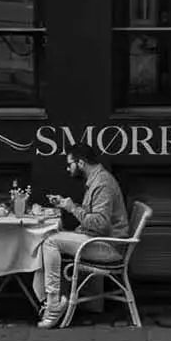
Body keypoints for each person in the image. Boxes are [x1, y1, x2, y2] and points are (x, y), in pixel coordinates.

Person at [34, 141, 130, 329]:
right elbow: (94, 216)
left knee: (50, 242)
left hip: (109, 247)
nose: (67, 168)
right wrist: (67, 205)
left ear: (80, 163)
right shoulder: (96, 179)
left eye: (70, 164)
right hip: (98, 240)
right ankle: (50, 300)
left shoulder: (102, 184)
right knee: (50, 238)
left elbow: (100, 224)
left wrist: (72, 209)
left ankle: (53, 305)